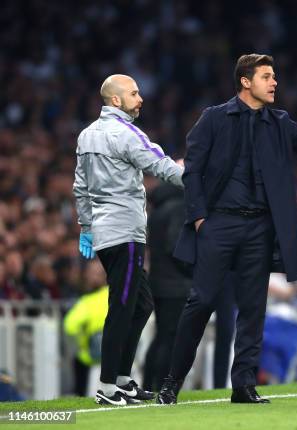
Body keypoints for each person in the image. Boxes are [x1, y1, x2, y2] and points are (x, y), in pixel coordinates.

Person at [158, 53, 297, 404]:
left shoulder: (279, 121)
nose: (274, 82)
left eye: (274, 76)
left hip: (260, 228)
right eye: (267, 76)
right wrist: (200, 218)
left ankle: (243, 385)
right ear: (246, 82)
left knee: (252, 308)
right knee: (200, 302)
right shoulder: (213, 118)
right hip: (219, 223)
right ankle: (172, 382)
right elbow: (192, 170)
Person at [73, 74, 184, 406]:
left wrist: (87, 227)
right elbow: (159, 164)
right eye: (134, 94)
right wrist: (197, 177)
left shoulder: (86, 135)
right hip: (125, 231)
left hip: (107, 234)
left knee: (142, 304)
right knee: (121, 308)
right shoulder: (127, 133)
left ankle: (122, 379)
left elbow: (80, 186)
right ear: (116, 101)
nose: (141, 98)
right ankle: (108, 388)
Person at [143, 182, 235, 391]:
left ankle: (149, 385)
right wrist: (195, 271)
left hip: (158, 281)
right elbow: (176, 246)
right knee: (170, 338)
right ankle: (159, 386)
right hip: (175, 285)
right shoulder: (178, 207)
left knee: (161, 337)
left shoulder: (158, 209)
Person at [64, 260, 108, 397]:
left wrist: (82, 343)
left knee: (79, 359)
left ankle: (80, 393)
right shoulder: (118, 295)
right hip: (122, 353)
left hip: (93, 358)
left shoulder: (86, 302)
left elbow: (69, 326)